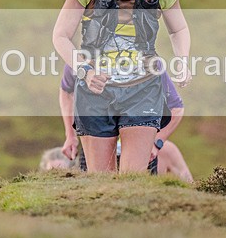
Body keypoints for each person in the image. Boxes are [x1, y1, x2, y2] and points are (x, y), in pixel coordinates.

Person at [52, 0, 191, 173]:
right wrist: (84, 71)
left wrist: (182, 60)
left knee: (132, 178)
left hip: (142, 89)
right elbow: (60, 35)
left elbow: (179, 29)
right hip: (95, 91)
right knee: (101, 180)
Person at [59, 65, 193, 182]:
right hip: (96, 133)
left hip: (138, 135)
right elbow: (66, 90)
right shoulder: (79, 57)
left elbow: (176, 107)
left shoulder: (148, 59)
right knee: (98, 189)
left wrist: (156, 143)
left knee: (134, 190)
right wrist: (70, 135)